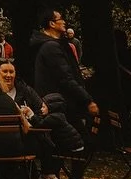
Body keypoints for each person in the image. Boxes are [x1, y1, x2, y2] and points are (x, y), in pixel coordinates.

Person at [31, 9, 98, 140]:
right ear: (52, 23)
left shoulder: (53, 45)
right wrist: (87, 99)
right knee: (79, 143)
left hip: (58, 104)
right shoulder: (51, 47)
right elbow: (65, 78)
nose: (64, 22)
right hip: (59, 105)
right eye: (60, 19)